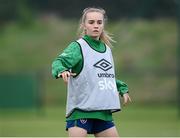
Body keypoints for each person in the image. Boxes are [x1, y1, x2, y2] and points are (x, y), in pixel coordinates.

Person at [52, 7, 131, 137]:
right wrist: (62, 70)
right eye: (91, 22)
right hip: (82, 110)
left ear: (103, 25)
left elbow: (102, 77)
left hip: (103, 112)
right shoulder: (78, 46)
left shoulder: (106, 49)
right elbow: (58, 62)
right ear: (84, 25)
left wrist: (121, 88)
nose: (96, 26)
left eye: (99, 22)